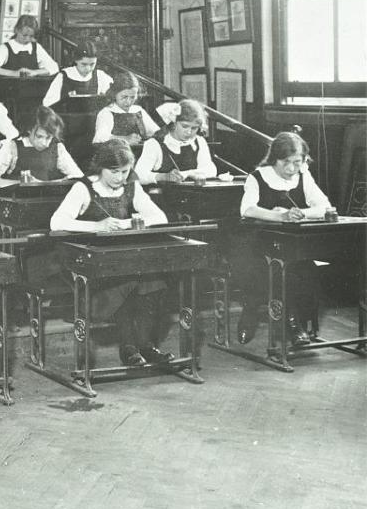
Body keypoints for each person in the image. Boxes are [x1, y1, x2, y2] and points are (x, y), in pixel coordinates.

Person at [50, 138, 173, 366]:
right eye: (114, 172)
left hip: (124, 259)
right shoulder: (83, 188)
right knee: (125, 282)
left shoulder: (131, 187)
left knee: (155, 282)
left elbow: (159, 217)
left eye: (125, 171)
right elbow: (56, 222)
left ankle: (145, 345)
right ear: (100, 168)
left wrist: (126, 223)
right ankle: (128, 348)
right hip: (88, 264)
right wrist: (95, 226)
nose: (121, 178)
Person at [235, 132, 332, 347]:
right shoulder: (258, 176)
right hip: (258, 243)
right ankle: (252, 314)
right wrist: (280, 215)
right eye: (285, 162)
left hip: (292, 245)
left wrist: (301, 213)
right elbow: (247, 209)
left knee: (304, 270)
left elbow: (324, 206)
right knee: (271, 270)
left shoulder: (304, 177)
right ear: (275, 159)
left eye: (297, 162)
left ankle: (296, 323)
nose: (291, 168)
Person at [0, 106, 83, 190]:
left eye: (49, 138)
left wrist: (43, 184)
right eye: (39, 136)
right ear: (29, 130)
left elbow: (78, 177)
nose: (45, 143)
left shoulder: (57, 147)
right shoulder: (12, 147)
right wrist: (21, 184)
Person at [135, 99, 217, 185]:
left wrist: (187, 173)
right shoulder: (155, 144)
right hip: (163, 196)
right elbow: (138, 175)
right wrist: (164, 176)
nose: (189, 132)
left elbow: (210, 170)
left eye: (194, 128)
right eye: (185, 126)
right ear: (174, 123)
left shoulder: (199, 142)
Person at [92, 71, 159, 146]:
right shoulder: (107, 112)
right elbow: (100, 138)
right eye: (124, 97)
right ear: (114, 94)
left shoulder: (138, 110)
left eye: (132, 97)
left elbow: (153, 131)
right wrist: (125, 138)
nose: (128, 102)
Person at [0, 15, 58, 79]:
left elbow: (54, 67)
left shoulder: (36, 47)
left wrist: (35, 72)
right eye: (24, 35)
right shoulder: (5, 48)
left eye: (31, 36)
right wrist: (15, 73)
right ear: (17, 30)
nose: (27, 39)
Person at [42, 42, 112, 108]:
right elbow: (48, 104)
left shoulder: (100, 76)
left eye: (92, 64)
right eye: (84, 64)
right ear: (76, 60)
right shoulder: (64, 76)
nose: (88, 69)